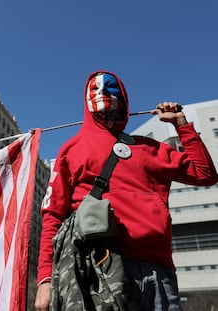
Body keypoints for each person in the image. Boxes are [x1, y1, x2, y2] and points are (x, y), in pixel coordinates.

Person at [35, 70, 218, 311]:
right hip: (100, 270)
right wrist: (46, 280)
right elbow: (53, 217)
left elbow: (205, 174)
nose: (103, 93)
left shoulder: (150, 149)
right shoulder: (71, 149)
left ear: (124, 98)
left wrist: (180, 123)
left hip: (159, 273)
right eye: (95, 89)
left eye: (111, 87)